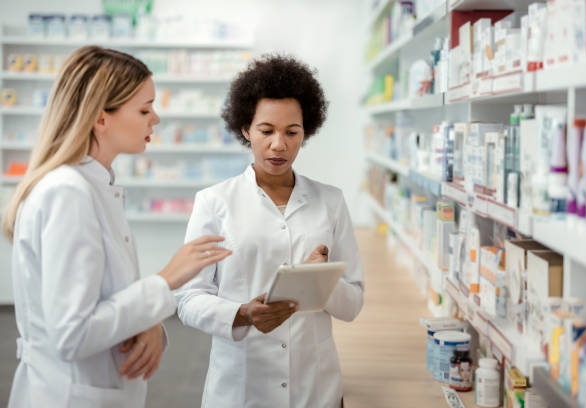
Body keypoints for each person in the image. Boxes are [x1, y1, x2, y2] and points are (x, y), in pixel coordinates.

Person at [1, 46, 232, 408]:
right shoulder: (69, 193)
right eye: (144, 109)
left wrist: (151, 321)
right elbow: (73, 334)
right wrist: (166, 279)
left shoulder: (94, 185)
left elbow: (105, 297)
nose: (155, 119)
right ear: (100, 118)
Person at [174, 54, 364, 408]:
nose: (279, 144)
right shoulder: (214, 202)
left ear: (306, 131)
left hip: (315, 386)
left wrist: (319, 280)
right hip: (241, 385)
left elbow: (353, 303)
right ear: (246, 129)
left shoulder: (330, 201)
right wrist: (242, 314)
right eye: (266, 131)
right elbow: (187, 299)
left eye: (292, 132)